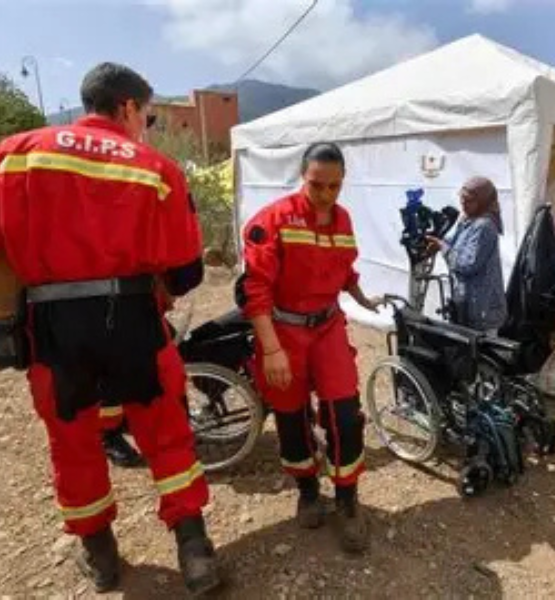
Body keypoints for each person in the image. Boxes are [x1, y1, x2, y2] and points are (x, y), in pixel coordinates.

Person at [0, 63, 220, 594]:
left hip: (53, 326)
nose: (143, 124)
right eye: (144, 114)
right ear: (126, 107)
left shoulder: (15, 154)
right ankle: (195, 551)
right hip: (134, 320)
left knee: (72, 442)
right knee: (166, 436)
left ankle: (99, 556)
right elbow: (187, 270)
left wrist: (8, 322)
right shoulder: (156, 166)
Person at [237, 142, 382, 554]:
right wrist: (270, 350)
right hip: (283, 331)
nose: (326, 194)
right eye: (318, 185)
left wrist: (361, 296)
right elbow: (256, 289)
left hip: (328, 326)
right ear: (303, 176)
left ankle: (348, 498)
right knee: (290, 416)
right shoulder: (274, 219)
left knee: (345, 415)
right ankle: (307, 490)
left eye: (335, 186)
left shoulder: (344, 219)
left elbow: (343, 267)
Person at [427, 177, 507, 333]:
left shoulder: (485, 226)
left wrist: (440, 246)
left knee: (480, 354)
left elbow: (467, 264)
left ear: (483, 201)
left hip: (483, 310)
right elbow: (450, 242)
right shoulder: (467, 221)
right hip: (469, 305)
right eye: (462, 199)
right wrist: (435, 239)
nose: (463, 204)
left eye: (469, 200)